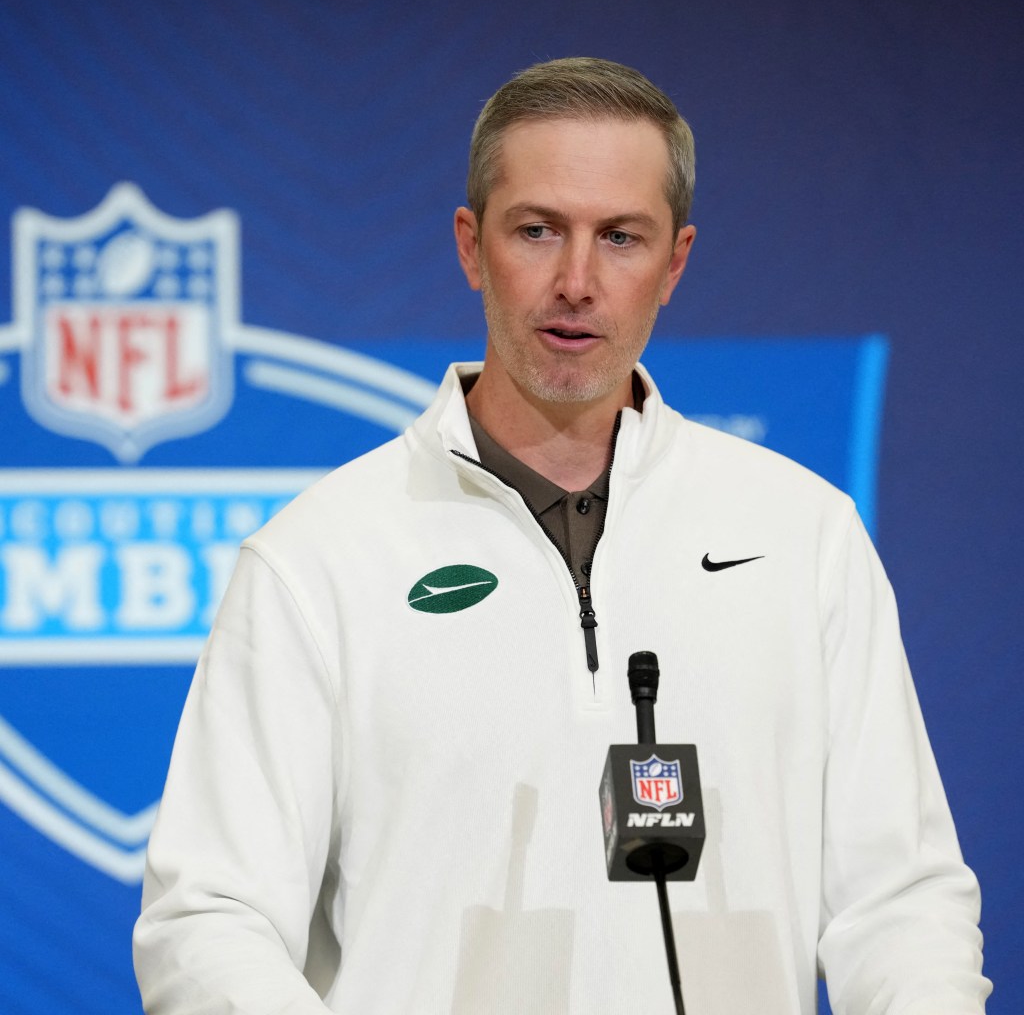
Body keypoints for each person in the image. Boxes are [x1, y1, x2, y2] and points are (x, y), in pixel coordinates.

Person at [133, 58, 990, 1014]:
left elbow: (899, 901)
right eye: (537, 230)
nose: (576, 281)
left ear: (676, 263)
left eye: (620, 237)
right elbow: (207, 919)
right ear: (470, 246)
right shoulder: (320, 559)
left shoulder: (803, 535)